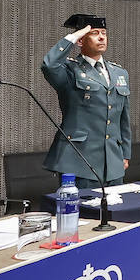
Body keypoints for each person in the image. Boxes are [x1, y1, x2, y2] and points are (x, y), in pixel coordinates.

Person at [42, 14, 131, 187]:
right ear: (81, 41)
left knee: (114, 213)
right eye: (94, 33)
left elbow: (124, 117)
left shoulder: (120, 73)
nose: (101, 37)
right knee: (83, 213)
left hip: (113, 162)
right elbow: (49, 65)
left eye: (104, 32)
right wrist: (74, 36)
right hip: (79, 161)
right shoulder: (70, 70)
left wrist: (125, 153)